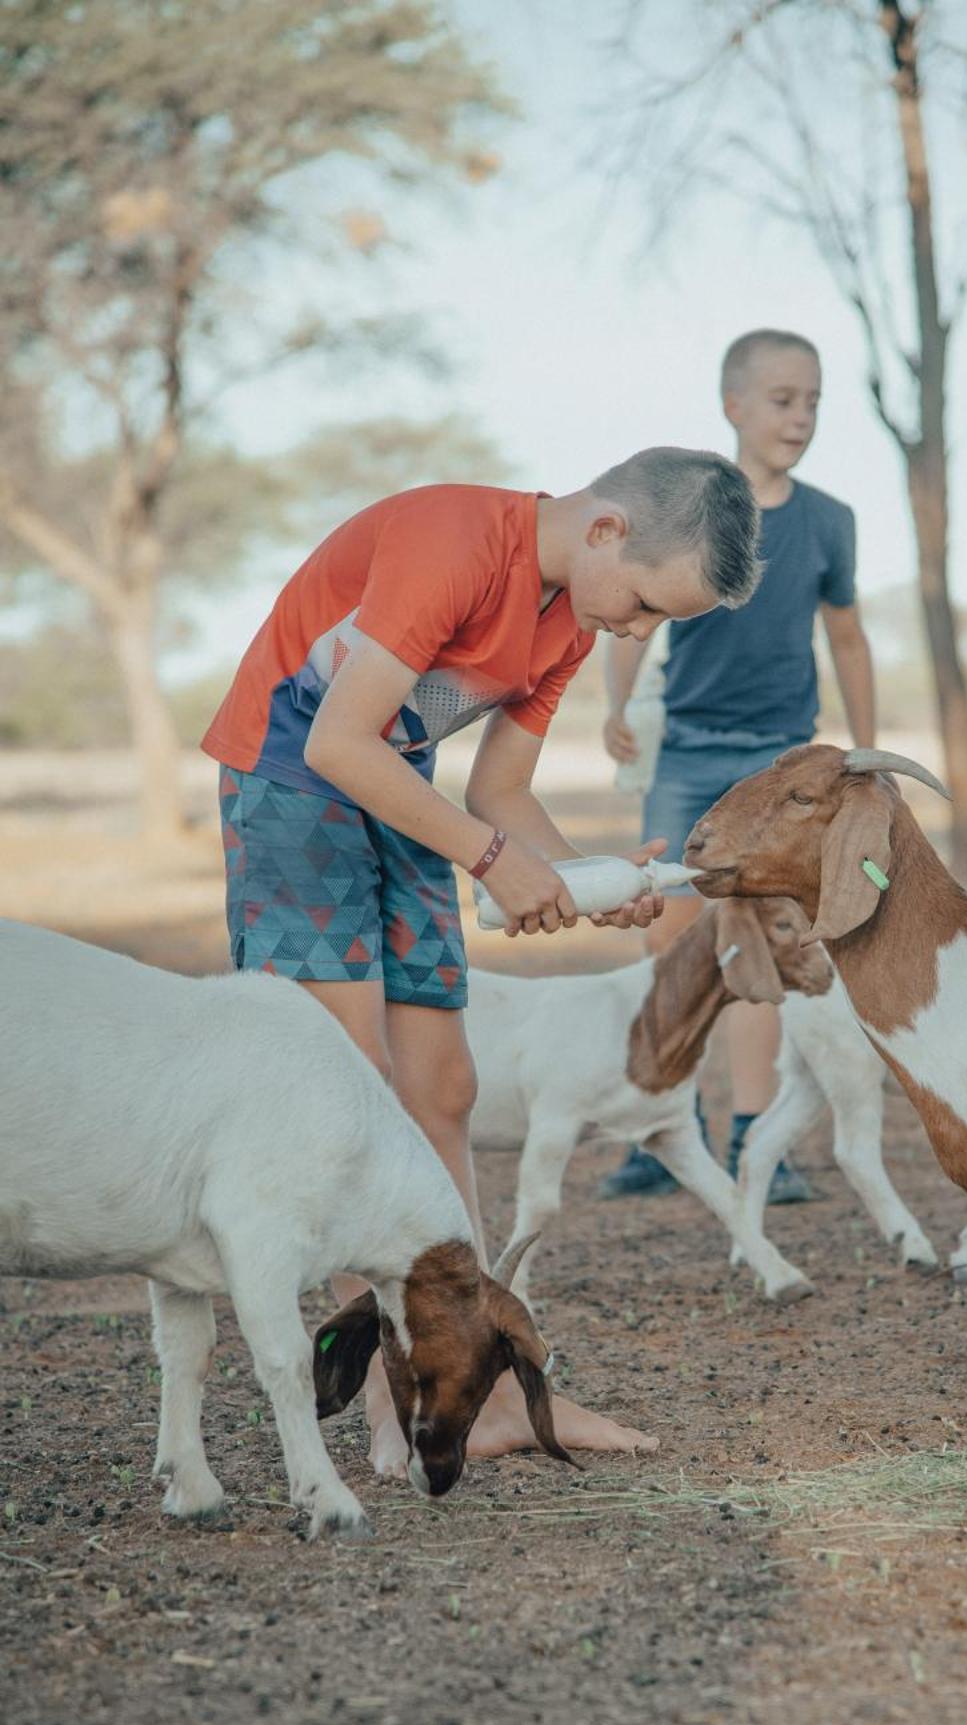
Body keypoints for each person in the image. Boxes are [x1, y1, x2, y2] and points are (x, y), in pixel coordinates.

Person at [201, 447, 762, 1471]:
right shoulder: (452, 542)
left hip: (393, 781)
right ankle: (394, 1399)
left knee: (444, 1086)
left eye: (656, 624)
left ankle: (482, 1389)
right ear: (604, 530)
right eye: (642, 603)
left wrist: (592, 875)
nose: (635, 630)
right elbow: (335, 742)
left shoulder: (569, 619)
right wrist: (496, 862)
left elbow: (501, 797)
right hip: (291, 776)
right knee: (349, 1089)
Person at [600, 330, 878, 1200]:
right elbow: (629, 605)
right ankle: (658, 1127)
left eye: (813, 401)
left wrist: (862, 751)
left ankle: (757, 1136)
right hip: (686, 752)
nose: (799, 416)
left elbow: (846, 636)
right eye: (782, 399)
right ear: (734, 406)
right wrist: (615, 705)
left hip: (779, 763)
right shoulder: (689, 511)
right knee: (668, 936)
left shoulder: (829, 521)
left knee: (760, 940)